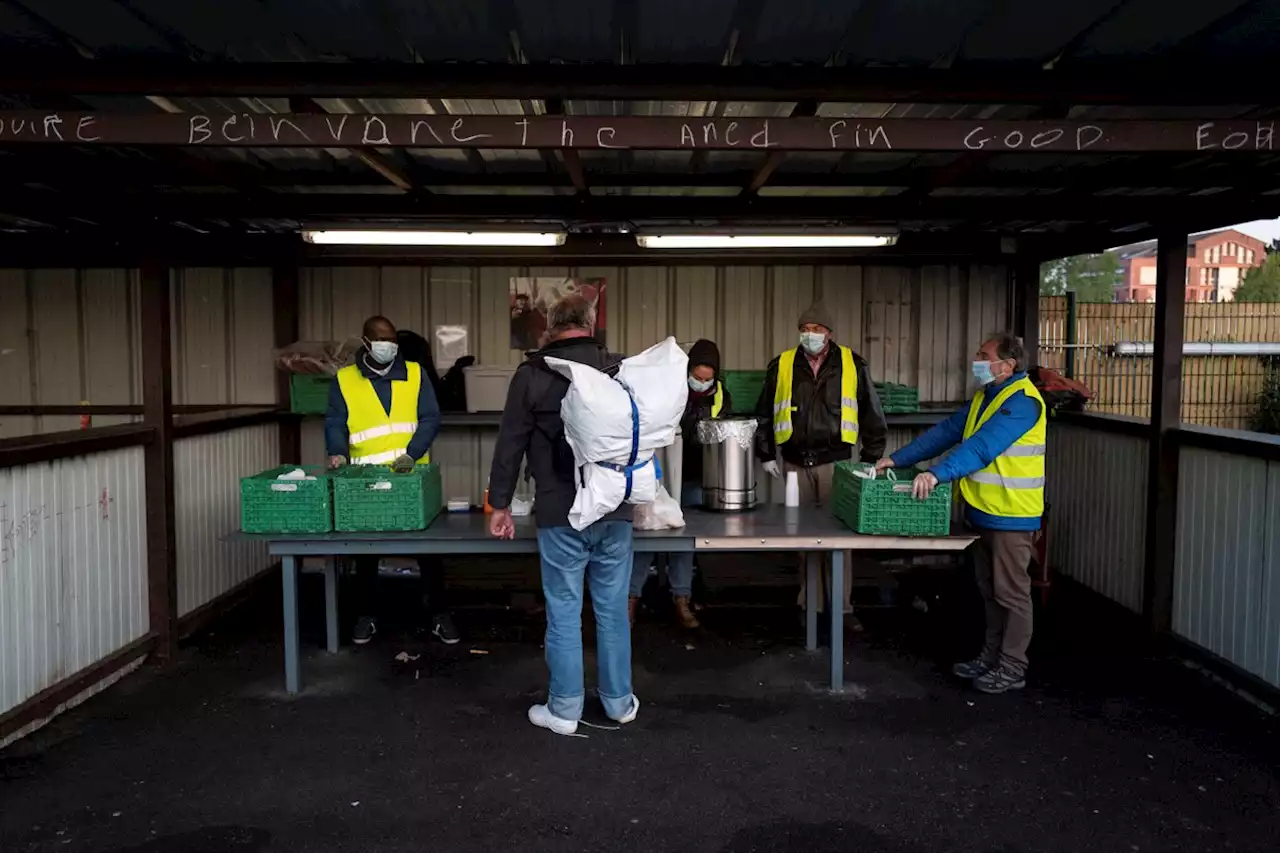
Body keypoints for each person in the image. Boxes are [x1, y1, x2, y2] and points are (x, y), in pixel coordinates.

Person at [488, 294, 640, 737]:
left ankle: (565, 709)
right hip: (615, 507)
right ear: (591, 325)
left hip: (560, 511)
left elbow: (509, 446)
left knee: (564, 612)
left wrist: (500, 505)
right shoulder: (617, 369)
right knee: (613, 611)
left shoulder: (532, 374)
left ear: (550, 327)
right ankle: (617, 703)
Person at [876, 333, 1045, 695]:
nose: (976, 360)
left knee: (1012, 595)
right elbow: (948, 432)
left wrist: (937, 474)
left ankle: (1012, 667)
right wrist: (899, 458)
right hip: (984, 512)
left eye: (984, 355)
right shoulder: (988, 396)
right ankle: (991, 657)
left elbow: (983, 447)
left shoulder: (1023, 402)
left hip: (1012, 517)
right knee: (989, 591)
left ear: (1008, 365)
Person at [325, 315, 457, 645]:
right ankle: (366, 617)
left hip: (411, 477)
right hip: (366, 479)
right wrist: (338, 452)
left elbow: (430, 417)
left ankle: (439, 615)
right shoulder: (344, 380)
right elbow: (335, 422)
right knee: (366, 552)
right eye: (382, 340)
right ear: (366, 342)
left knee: (428, 550)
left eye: (393, 341)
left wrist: (412, 452)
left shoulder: (415, 374)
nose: (389, 347)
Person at [755, 301, 886, 633]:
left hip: (837, 464)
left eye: (816, 329)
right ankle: (808, 605)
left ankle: (841, 609)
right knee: (802, 538)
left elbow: (872, 411)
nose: (809, 334)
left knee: (839, 539)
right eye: (804, 329)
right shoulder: (783, 364)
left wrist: (871, 458)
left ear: (829, 333)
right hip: (795, 464)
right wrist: (767, 453)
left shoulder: (851, 364)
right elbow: (766, 412)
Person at [629, 338, 731, 629]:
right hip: (658, 476)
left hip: (695, 477)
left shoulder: (722, 396)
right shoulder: (669, 389)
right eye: (696, 377)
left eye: (706, 379)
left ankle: (681, 599)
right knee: (646, 536)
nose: (700, 383)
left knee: (684, 541)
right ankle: (631, 599)